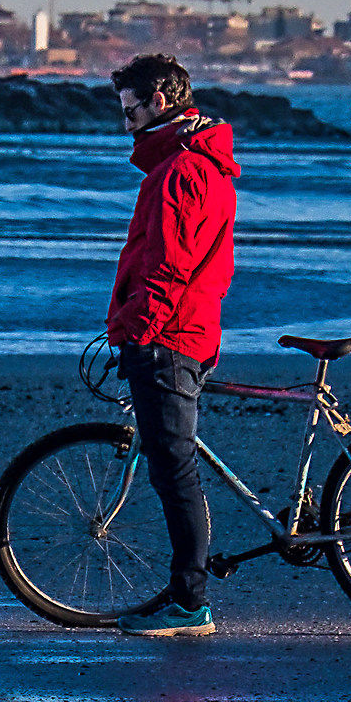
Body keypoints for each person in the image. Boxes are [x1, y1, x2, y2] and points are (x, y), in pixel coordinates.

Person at [102, 54, 240, 637]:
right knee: (174, 462)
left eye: (130, 107)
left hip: (168, 335)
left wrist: (134, 328)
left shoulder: (182, 171)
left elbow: (169, 271)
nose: (123, 120)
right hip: (182, 329)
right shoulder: (190, 163)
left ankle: (189, 603)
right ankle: (187, 596)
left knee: (175, 468)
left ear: (159, 100)